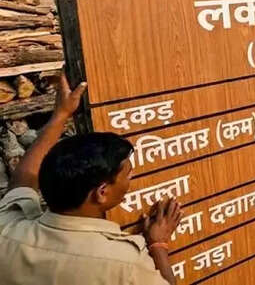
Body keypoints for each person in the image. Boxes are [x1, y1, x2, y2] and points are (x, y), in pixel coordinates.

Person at [0, 74, 183, 285]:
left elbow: (22, 180)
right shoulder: (125, 264)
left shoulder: (7, 229)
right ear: (101, 193)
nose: (132, 177)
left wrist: (61, 115)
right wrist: (158, 245)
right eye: (127, 174)